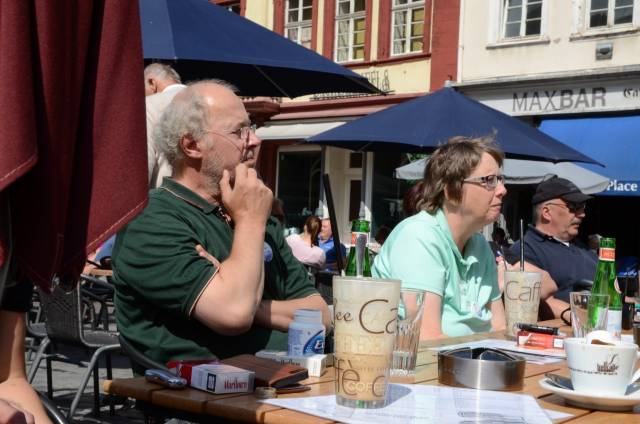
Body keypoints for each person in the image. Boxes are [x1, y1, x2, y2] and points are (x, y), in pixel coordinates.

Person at [112, 80, 330, 366]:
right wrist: (250, 222)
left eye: (252, 128)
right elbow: (234, 314)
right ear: (192, 145)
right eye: (239, 131)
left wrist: (253, 304)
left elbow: (321, 317)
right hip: (199, 390)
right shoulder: (150, 219)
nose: (254, 140)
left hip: (290, 380)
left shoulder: (256, 215)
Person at [372, 136, 506, 339]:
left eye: (501, 179)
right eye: (489, 180)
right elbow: (427, 339)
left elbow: (499, 328)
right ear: (451, 191)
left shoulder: (480, 245)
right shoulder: (419, 237)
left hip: (475, 356)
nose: (502, 190)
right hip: (427, 359)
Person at [506, 177, 597, 319]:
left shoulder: (583, 248)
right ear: (546, 212)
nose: (581, 214)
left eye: (582, 207)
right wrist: (585, 318)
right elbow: (540, 303)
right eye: (573, 207)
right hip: (569, 328)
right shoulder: (524, 251)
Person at [144, 63, 186, 188]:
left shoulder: (149, 105)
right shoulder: (211, 100)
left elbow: (144, 161)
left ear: (152, 83)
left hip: (165, 194)